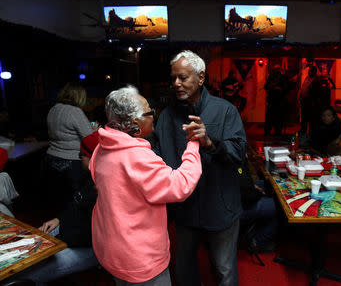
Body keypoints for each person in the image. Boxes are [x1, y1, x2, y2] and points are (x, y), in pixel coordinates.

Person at [89, 86, 202, 285]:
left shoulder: (103, 146)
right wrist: (193, 145)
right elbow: (180, 185)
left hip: (112, 248)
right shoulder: (137, 156)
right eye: (150, 112)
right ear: (135, 123)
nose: (154, 116)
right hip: (139, 258)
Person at [153, 50, 246, 286]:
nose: (176, 83)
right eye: (173, 78)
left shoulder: (225, 110)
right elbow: (157, 158)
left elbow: (238, 154)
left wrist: (210, 142)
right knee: (184, 271)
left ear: (201, 78)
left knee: (224, 271)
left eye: (183, 77)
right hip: (185, 210)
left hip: (220, 205)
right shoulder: (166, 116)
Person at [11, 132, 100, 286]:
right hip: (69, 235)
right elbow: (74, 204)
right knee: (22, 251)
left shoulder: (103, 189)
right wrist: (58, 219)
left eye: (82, 155)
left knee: (31, 274)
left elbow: (89, 233)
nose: (79, 158)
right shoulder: (88, 177)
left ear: (96, 158)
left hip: (90, 248)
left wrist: (55, 243)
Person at [45, 82, 94, 209]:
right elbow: (89, 138)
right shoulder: (75, 111)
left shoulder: (54, 108)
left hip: (51, 159)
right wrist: (94, 129)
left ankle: (58, 223)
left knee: (59, 197)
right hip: (72, 161)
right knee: (75, 200)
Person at [239, 159, 278, 253]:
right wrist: (256, 192)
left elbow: (239, 178)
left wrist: (251, 186)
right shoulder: (227, 152)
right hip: (234, 207)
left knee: (266, 184)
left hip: (240, 193)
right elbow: (246, 195)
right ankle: (257, 242)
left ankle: (261, 224)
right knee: (279, 206)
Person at [264, 65, 289, 136]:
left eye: (277, 69)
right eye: (275, 69)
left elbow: (286, 88)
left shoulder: (283, 78)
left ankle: (278, 132)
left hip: (280, 101)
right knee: (269, 117)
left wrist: (280, 88)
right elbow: (265, 86)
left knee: (279, 117)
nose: (276, 71)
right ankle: (267, 132)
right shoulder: (271, 77)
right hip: (271, 100)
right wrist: (271, 86)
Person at [298, 66, 321, 134]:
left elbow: (316, 93)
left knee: (311, 118)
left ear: (314, 72)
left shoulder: (316, 80)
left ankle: (311, 132)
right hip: (304, 100)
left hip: (310, 102)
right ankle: (303, 130)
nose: (309, 72)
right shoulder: (307, 78)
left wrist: (313, 102)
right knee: (303, 117)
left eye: (310, 71)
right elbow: (304, 87)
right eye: (309, 71)